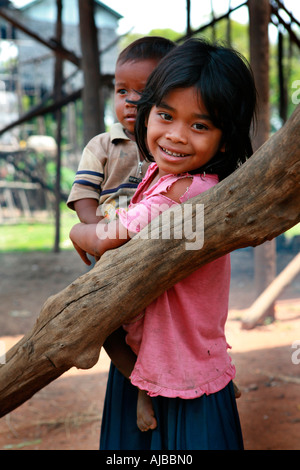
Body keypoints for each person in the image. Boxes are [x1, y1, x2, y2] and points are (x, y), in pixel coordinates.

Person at [69, 38, 257, 450]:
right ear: (148, 112)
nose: (175, 136)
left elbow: (107, 237)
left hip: (179, 360)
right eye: (166, 115)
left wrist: (78, 233)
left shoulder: (187, 191)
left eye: (199, 125)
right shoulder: (162, 173)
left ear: (225, 139)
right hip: (155, 346)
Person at [67, 36, 175, 224]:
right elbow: (83, 193)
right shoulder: (101, 146)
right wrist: (98, 230)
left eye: (143, 91)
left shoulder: (173, 146)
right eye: (122, 91)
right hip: (110, 239)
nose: (130, 101)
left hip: (157, 237)